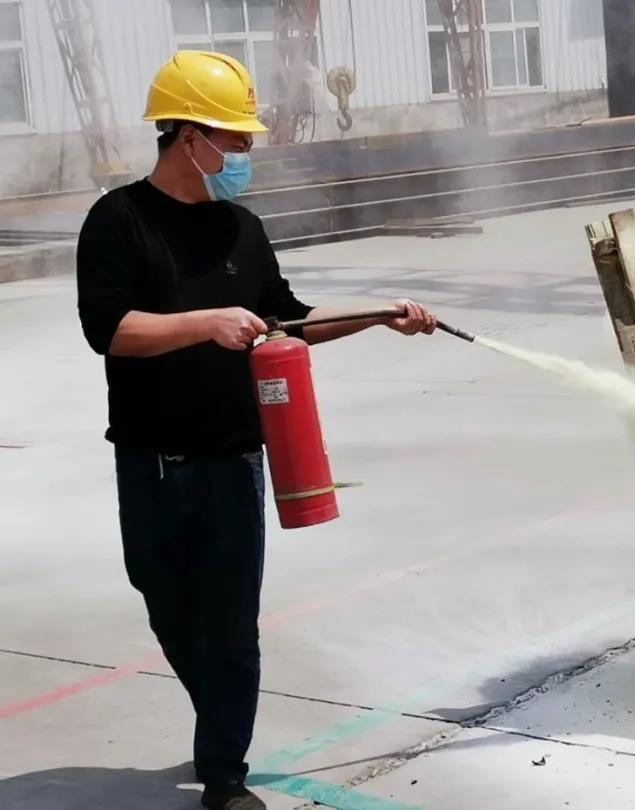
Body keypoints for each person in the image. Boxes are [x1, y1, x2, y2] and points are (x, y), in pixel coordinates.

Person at [76, 51, 437, 810]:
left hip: (234, 461)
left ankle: (225, 777)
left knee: (233, 626)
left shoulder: (242, 228)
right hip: (152, 462)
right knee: (166, 604)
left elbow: (290, 321)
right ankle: (220, 721)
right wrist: (203, 323)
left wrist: (377, 315)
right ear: (188, 136)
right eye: (234, 141)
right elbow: (108, 330)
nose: (243, 156)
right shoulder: (119, 221)